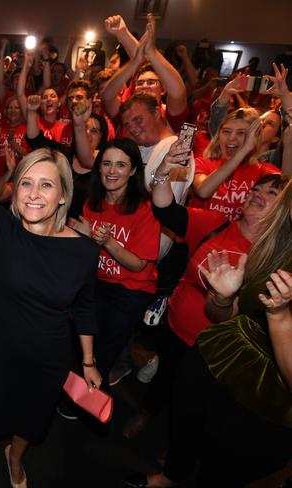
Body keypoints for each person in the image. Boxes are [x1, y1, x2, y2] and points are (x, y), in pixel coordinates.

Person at [0, 26, 101, 488]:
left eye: (46, 184)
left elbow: (86, 306)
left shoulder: (84, 251)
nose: (33, 193)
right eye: (26, 182)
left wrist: (88, 361)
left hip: (48, 356)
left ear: (62, 197)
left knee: (32, 421)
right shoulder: (3, 230)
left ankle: (15, 457)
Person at [124, 179, 292, 487]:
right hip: (192, 341)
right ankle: (165, 447)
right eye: (255, 189)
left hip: (243, 378)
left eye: (271, 193)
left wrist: (276, 313)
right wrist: (224, 297)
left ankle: (178, 456)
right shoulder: (227, 229)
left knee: (212, 438)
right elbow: (165, 209)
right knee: (175, 395)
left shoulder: (269, 255)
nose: (257, 194)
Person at [72, 138, 161, 386]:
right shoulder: (93, 202)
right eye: (107, 163)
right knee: (84, 335)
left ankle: (86, 398)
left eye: (121, 165)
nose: (112, 171)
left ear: (133, 171)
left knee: (104, 348)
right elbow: (89, 250)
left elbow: (138, 265)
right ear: (98, 167)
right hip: (99, 281)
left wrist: (108, 242)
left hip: (131, 289)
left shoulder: (146, 209)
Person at [190, 107, 281, 221]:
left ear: (254, 138)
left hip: (236, 238)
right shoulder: (202, 163)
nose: (231, 138)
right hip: (197, 236)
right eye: (226, 131)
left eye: (241, 133)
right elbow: (203, 191)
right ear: (219, 136)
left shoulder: (263, 171)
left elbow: (286, 193)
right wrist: (244, 150)